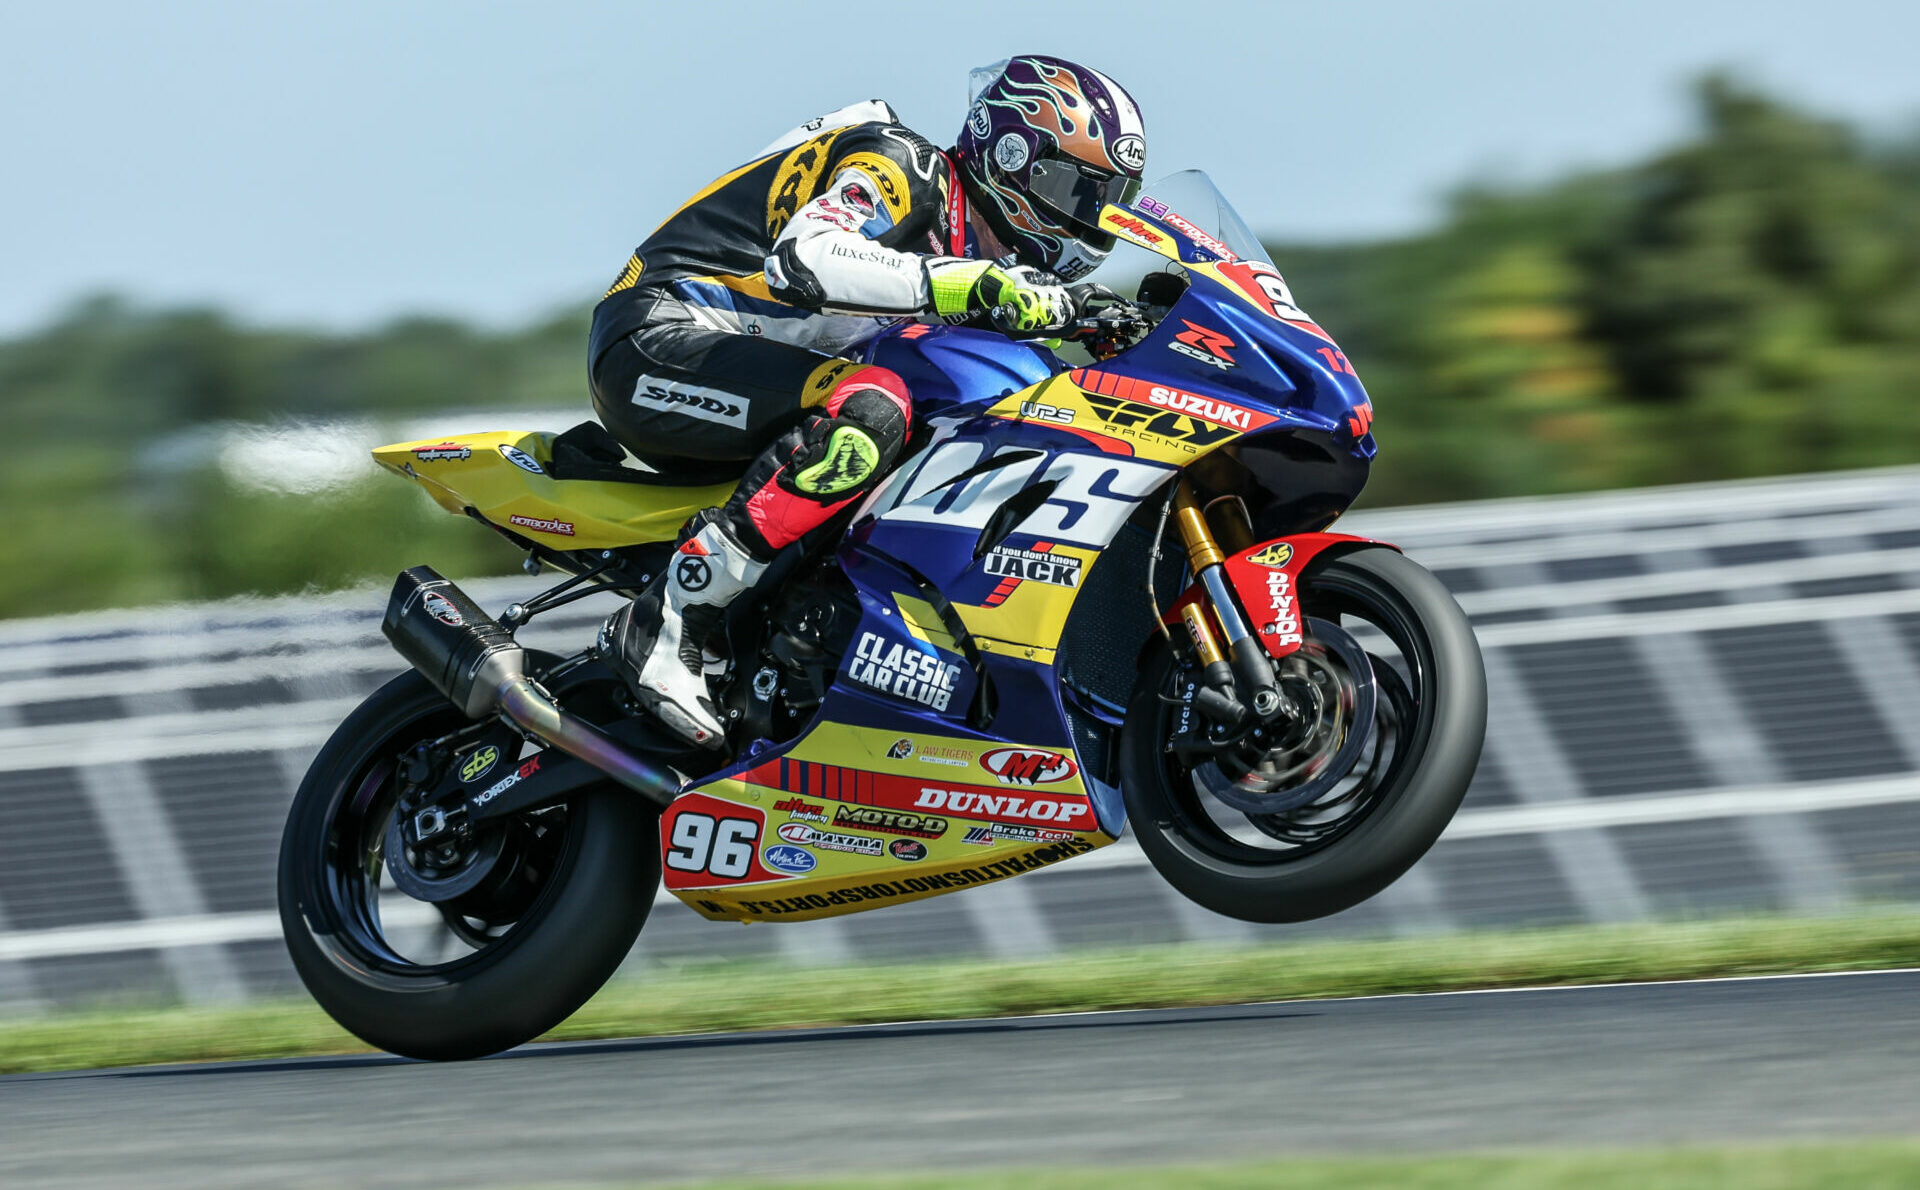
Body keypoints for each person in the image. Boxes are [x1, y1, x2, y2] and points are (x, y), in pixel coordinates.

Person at [591, 55, 1147, 748]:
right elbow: (805, 258)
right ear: (1010, 154)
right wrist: (977, 286)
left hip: (769, 369)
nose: (1084, 218)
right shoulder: (900, 166)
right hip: (656, 335)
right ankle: (669, 621)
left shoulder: (975, 255)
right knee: (873, 410)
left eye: (1102, 202)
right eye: (1072, 188)